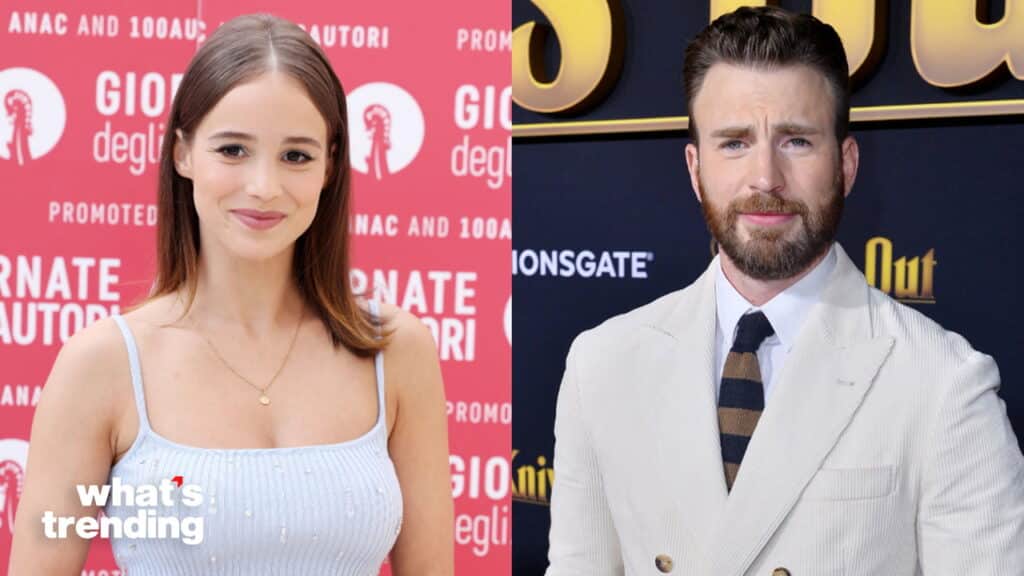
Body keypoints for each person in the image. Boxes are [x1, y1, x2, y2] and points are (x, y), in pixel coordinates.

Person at [545, 6, 1024, 575]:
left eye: (796, 141)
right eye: (734, 143)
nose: (765, 177)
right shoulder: (601, 364)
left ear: (845, 164)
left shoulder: (945, 384)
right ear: (694, 168)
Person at [8, 14, 454, 575]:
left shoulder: (396, 351)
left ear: (330, 166)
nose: (264, 186)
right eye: (233, 150)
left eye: (296, 155)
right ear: (183, 154)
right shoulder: (101, 365)